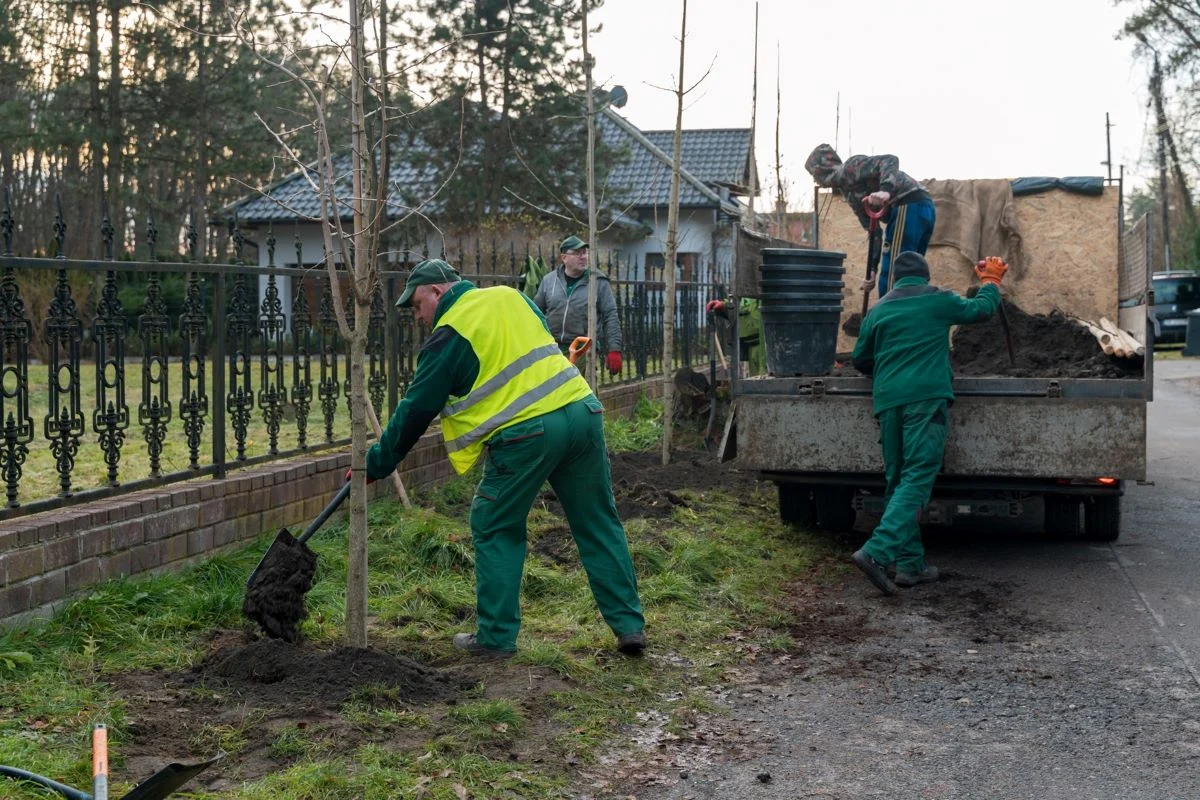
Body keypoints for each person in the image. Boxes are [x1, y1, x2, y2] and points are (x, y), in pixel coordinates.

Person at [364, 258, 646, 658]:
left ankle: (496, 638)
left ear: (438, 292)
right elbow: (537, 340)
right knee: (598, 521)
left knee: (494, 524)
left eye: (417, 304)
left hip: (528, 435)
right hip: (582, 412)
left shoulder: (448, 336)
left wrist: (376, 464)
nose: (418, 315)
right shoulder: (511, 296)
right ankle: (629, 626)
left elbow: (414, 410)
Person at [848, 252, 1007, 595]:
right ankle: (877, 553)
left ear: (894, 281)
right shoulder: (938, 300)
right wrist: (991, 282)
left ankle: (910, 565)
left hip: (888, 402)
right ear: (924, 276)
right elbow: (980, 310)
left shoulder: (878, 311)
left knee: (898, 481)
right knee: (918, 478)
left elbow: (861, 360)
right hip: (925, 401)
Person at [805, 144, 937, 297]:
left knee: (893, 277)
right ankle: (912, 317)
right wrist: (872, 270)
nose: (816, 181)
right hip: (923, 208)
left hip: (908, 205)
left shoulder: (851, 167)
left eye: (814, 175)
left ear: (822, 169)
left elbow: (890, 160)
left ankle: (889, 318)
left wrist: (885, 190)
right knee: (912, 272)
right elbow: (873, 231)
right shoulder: (850, 194)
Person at [535, 235, 624, 376]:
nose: (583, 257)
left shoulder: (598, 281)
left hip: (583, 349)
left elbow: (610, 315)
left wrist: (614, 349)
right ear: (564, 257)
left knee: (581, 393)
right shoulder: (549, 281)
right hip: (552, 349)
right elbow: (536, 314)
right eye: (577, 253)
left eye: (584, 252)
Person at [705, 296, 766, 376]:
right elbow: (742, 312)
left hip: (766, 347)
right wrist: (724, 307)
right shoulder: (748, 294)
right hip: (751, 346)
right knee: (755, 381)